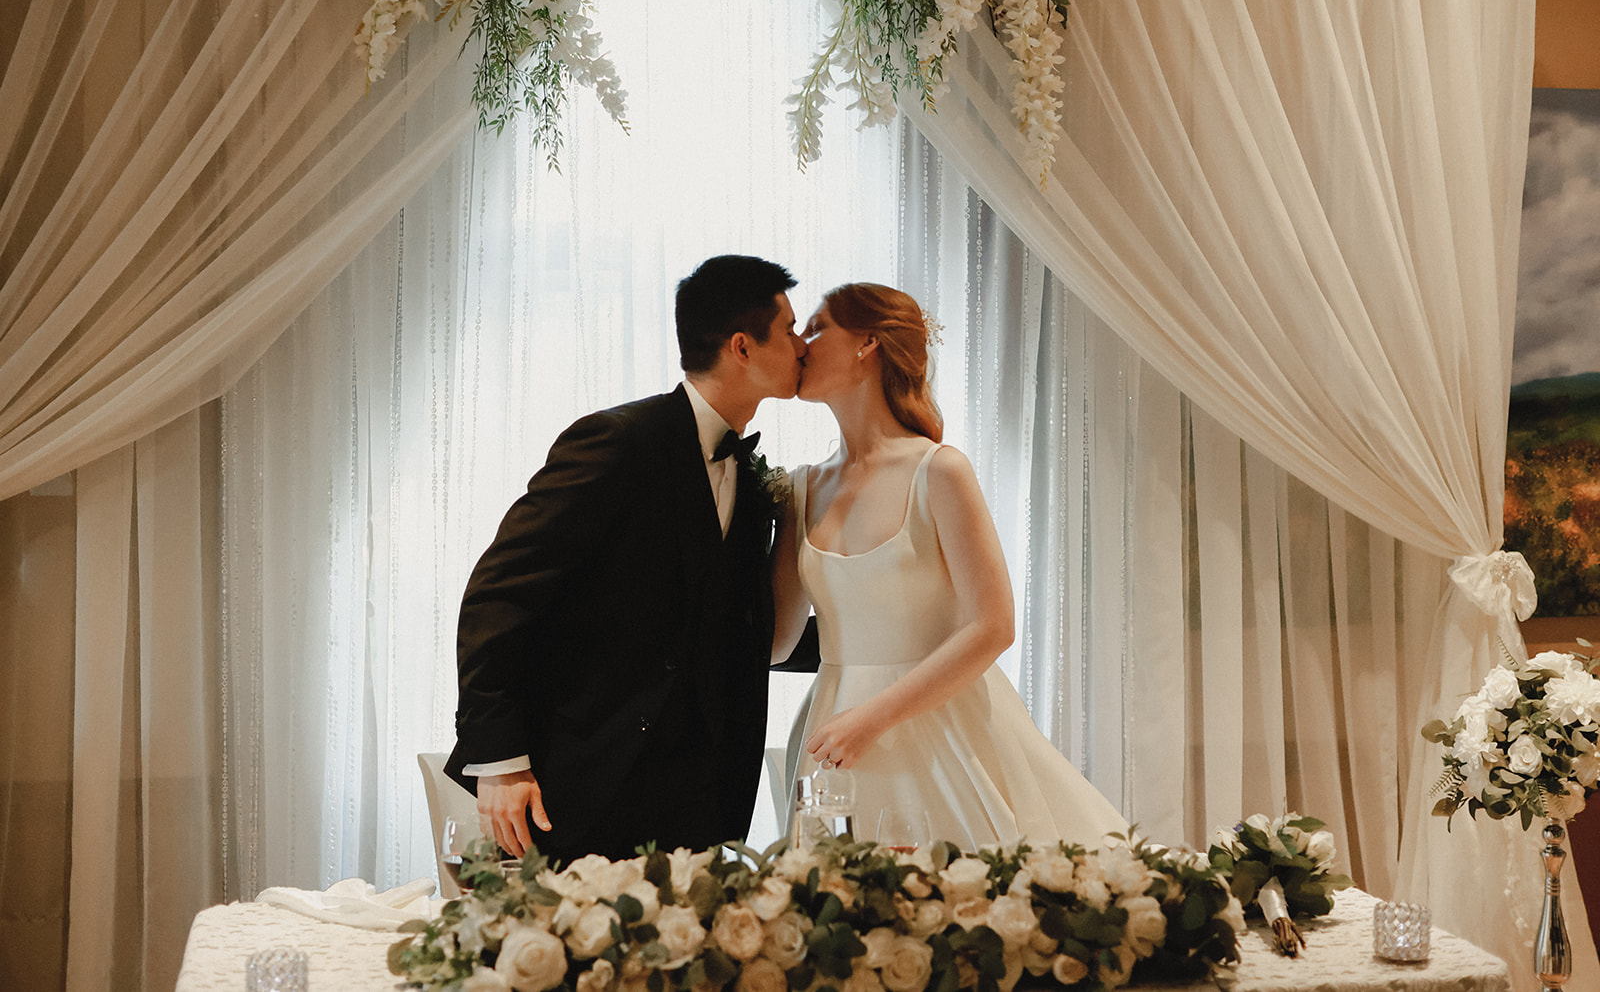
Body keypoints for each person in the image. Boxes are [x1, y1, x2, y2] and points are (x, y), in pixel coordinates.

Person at [446, 254, 809, 864]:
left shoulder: (750, 479)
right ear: (742, 347)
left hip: (704, 800)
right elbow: (498, 594)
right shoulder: (616, 442)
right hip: (585, 781)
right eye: (792, 328)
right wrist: (502, 763)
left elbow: (741, 627)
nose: (803, 346)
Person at [771, 283, 1127, 851]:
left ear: (867, 343)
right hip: (831, 730)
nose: (800, 344)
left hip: (940, 726)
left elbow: (993, 626)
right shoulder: (799, 488)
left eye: (816, 327)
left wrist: (872, 719)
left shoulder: (939, 471)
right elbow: (776, 640)